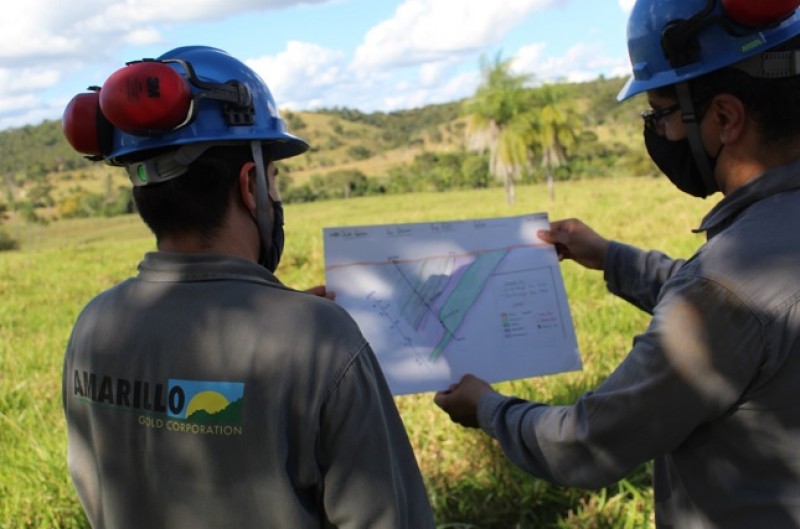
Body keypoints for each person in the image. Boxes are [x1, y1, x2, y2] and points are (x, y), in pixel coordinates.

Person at [435, 0, 800, 527]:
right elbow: (751, 318)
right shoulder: (751, 269)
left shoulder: (724, 288)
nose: (657, 131)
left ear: (724, 118)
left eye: (661, 113)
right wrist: (611, 258)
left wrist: (489, 409)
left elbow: (588, 445)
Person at [61, 46, 434, 528]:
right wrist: (306, 340)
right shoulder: (319, 339)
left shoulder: (93, 325)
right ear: (251, 185)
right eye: (274, 178)